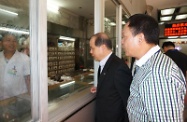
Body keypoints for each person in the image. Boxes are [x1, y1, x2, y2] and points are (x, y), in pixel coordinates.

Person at [121, 14, 186, 121]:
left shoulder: (157, 75)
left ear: (140, 38)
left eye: (124, 36)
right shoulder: (145, 63)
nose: (122, 41)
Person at [89, 32, 132, 122]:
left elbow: (128, 101)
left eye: (93, 48)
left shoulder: (119, 67)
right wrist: (100, 88)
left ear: (103, 47)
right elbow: (112, 85)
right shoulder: (104, 64)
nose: (91, 52)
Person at [0, 33, 30, 100]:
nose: (11, 43)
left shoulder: (25, 59)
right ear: (1, 43)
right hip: (1, 100)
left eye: (14, 41)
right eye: (8, 40)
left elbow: (29, 81)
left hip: (18, 100)